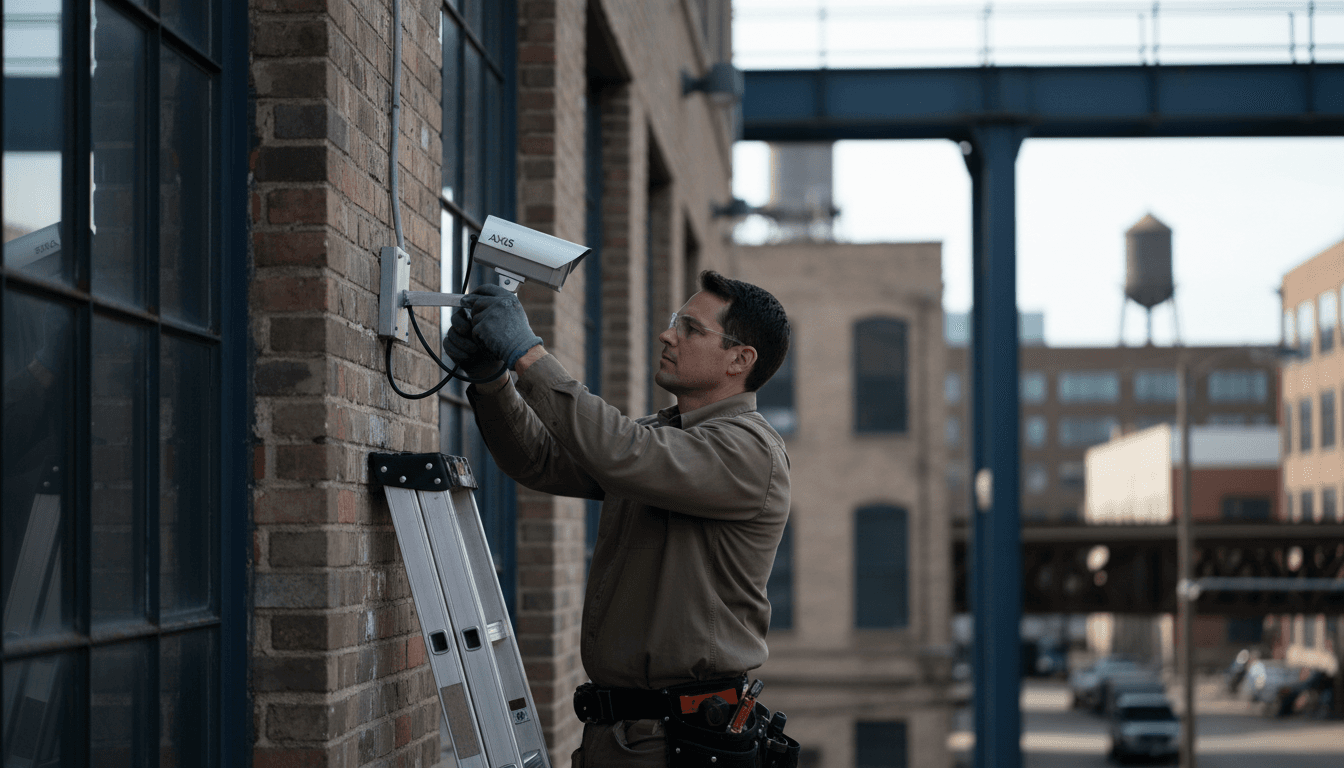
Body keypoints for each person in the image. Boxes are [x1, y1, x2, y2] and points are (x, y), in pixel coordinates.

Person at [443, 270, 792, 767]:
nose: (668, 335)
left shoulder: (750, 451)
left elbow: (624, 452)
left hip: (680, 742)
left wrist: (528, 354)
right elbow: (539, 460)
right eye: (676, 322)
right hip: (625, 733)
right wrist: (491, 379)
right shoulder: (662, 438)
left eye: (691, 329)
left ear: (740, 359)